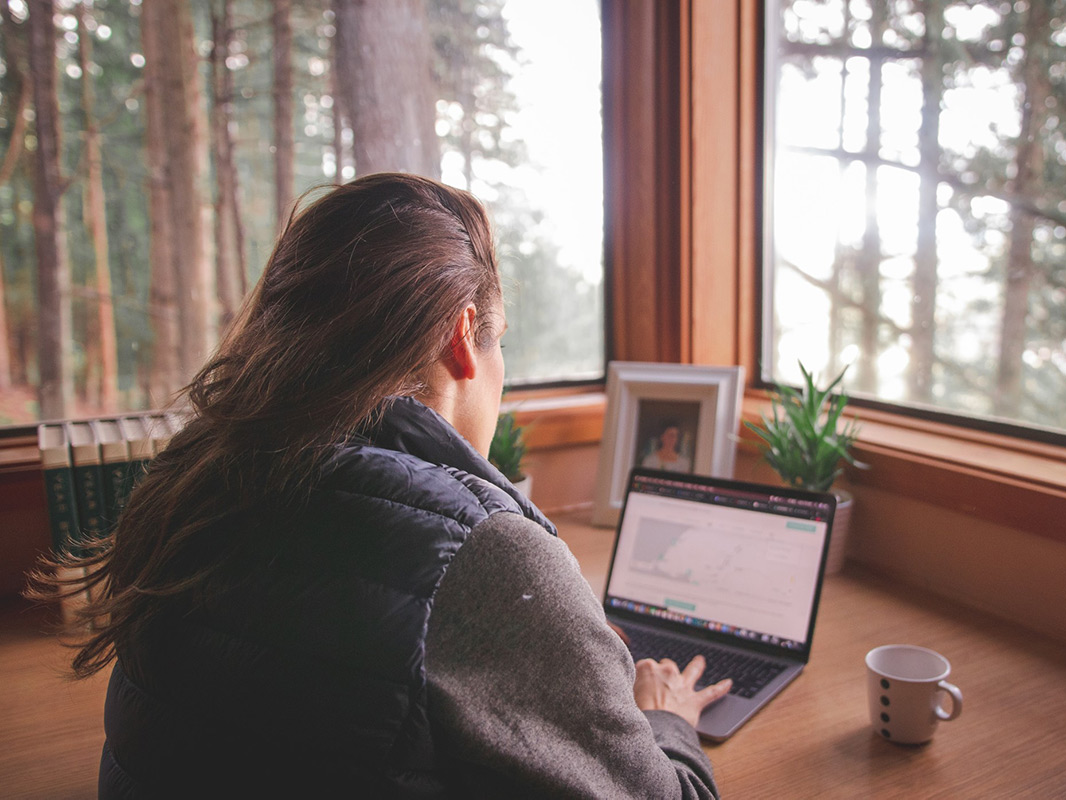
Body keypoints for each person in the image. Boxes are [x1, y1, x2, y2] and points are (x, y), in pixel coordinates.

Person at [35, 173, 730, 798]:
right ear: (462, 338)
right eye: (501, 340)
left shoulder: (194, 466)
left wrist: (556, 650)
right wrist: (664, 718)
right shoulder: (479, 551)